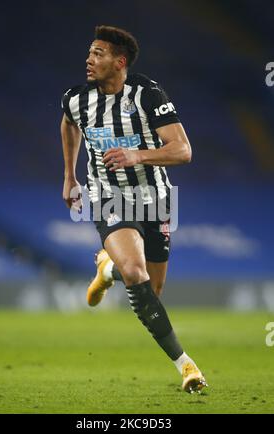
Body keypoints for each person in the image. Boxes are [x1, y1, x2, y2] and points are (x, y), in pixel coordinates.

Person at [61, 25, 207, 394]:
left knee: (150, 294)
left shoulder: (146, 94)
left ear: (119, 62)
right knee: (135, 271)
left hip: (156, 198)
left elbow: (183, 150)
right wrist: (69, 176)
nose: (89, 60)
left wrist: (136, 155)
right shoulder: (77, 99)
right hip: (109, 195)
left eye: (98, 54)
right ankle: (186, 365)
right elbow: (68, 124)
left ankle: (107, 270)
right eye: (89, 52)